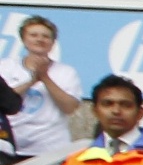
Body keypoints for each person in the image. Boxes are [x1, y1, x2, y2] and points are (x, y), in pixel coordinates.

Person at [0, 15, 82, 157]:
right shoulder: (5, 67)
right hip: (9, 145)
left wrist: (45, 78)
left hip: (50, 148)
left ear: (53, 42)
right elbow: (5, 101)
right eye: (33, 35)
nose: (40, 39)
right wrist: (31, 81)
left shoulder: (66, 72)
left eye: (46, 36)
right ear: (23, 40)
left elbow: (69, 107)